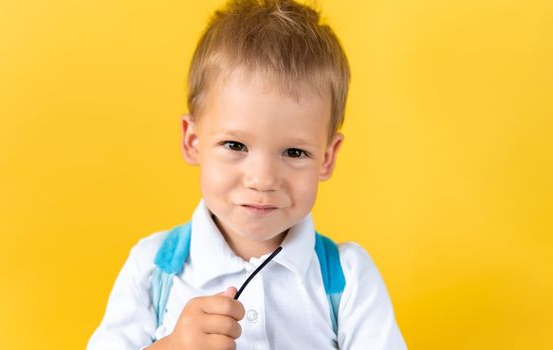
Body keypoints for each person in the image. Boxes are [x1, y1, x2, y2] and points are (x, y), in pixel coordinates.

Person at [87, 0, 406, 349]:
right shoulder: (153, 268)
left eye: (294, 152)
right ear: (193, 142)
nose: (262, 179)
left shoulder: (347, 279)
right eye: (235, 145)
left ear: (327, 158)